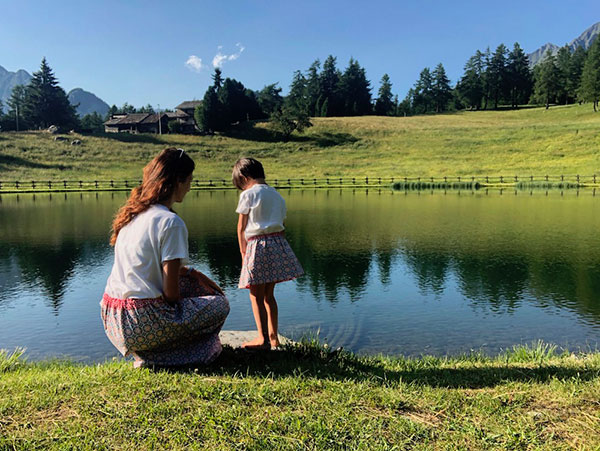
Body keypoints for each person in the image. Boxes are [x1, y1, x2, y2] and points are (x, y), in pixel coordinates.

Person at [101, 147, 229, 367]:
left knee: (191, 288)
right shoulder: (170, 222)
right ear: (177, 181)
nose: (190, 187)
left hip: (112, 318)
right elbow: (171, 294)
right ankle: (173, 354)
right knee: (220, 305)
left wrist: (192, 273)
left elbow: (149, 269)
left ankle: (154, 352)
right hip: (142, 322)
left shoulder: (132, 216)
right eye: (189, 180)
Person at [232, 157, 304, 350]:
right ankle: (274, 338)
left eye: (240, 184)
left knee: (255, 294)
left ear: (244, 177)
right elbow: (282, 225)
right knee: (269, 295)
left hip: (257, 246)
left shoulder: (248, 195)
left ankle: (262, 338)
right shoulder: (276, 195)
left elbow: (241, 227)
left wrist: (243, 253)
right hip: (277, 243)